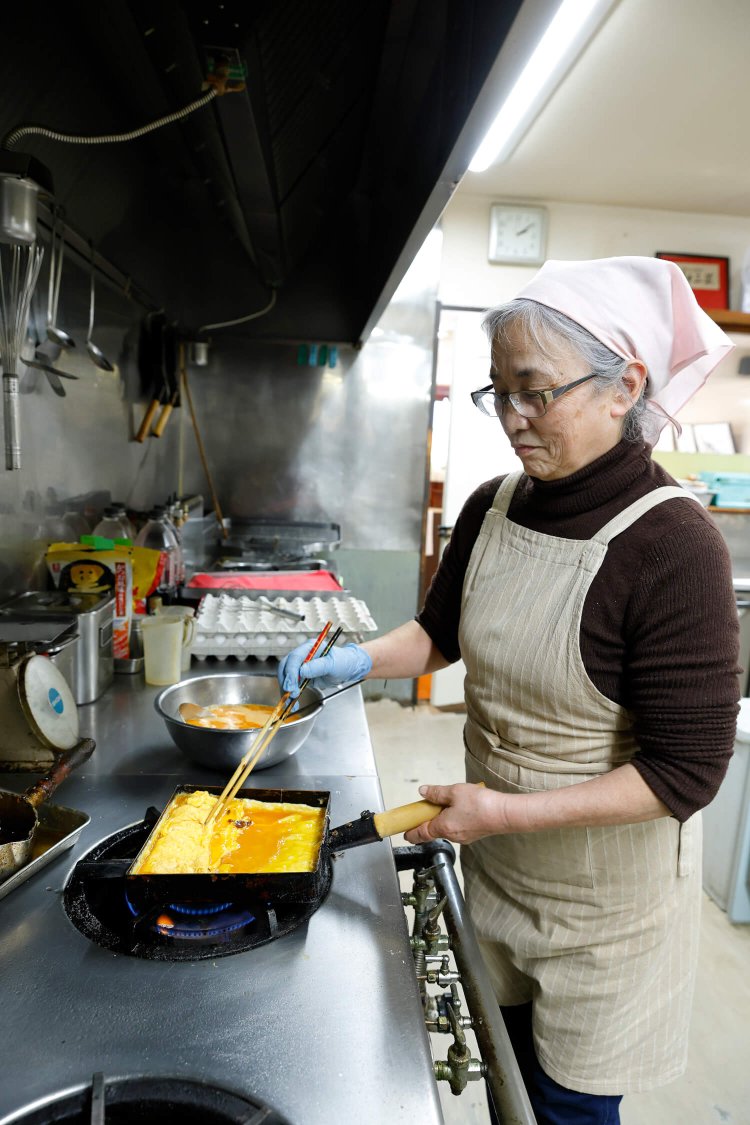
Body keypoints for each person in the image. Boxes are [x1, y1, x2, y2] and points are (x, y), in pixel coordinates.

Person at [278, 257, 741, 1125]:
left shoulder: (676, 546)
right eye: (499, 394)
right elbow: (438, 635)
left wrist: (502, 811)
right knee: (504, 1078)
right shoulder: (495, 503)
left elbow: (685, 774)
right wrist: (355, 661)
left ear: (623, 386)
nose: (514, 421)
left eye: (534, 392)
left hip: (603, 910)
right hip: (499, 867)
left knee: (565, 1106)